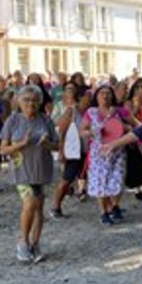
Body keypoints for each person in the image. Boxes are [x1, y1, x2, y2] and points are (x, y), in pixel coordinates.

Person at [0, 85, 59, 263]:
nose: (30, 103)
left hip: (41, 168)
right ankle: (23, 242)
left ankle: (35, 243)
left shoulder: (45, 120)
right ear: (18, 101)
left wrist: (47, 144)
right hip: (21, 169)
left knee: (39, 207)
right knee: (30, 202)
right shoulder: (13, 120)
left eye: (34, 100)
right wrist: (20, 144)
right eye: (26, 99)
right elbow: (2, 150)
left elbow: (57, 145)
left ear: (39, 102)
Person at [81, 84, 128, 225]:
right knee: (100, 181)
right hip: (98, 152)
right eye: (102, 93)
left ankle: (114, 205)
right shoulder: (91, 112)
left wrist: (124, 128)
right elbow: (82, 131)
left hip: (117, 151)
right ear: (96, 96)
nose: (105, 96)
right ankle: (104, 212)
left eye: (108, 93)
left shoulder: (119, 111)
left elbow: (134, 126)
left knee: (118, 180)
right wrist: (92, 132)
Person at [49, 83, 85, 219]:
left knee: (69, 179)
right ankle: (55, 207)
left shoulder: (79, 111)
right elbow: (61, 129)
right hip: (73, 150)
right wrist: (61, 150)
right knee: (66, 179)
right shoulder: (71, 110)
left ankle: (57, 206)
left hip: (79, 150)